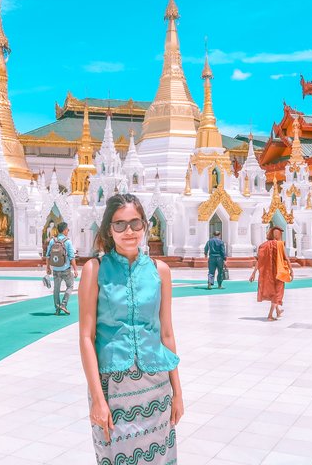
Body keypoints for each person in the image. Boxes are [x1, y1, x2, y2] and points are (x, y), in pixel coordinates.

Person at [79, 193, 182, 463]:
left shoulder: (160, 271)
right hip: (113, 387)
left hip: (156, 386)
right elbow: (86, 338)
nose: (129, 231)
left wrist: (178, 393)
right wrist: (98, 400)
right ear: (108, 230)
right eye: (120, 224)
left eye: (136, 224)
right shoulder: (94, 269)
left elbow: (167, 333)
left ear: (145, 226)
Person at [249, 226, 293, 321]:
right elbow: (286, 258)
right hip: (278, 273)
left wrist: (254, 273)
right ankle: (270, 315)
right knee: (277, 293)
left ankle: (277, 311)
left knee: (274, 292)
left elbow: (259, 260)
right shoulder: (280, 244)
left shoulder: (263, 245)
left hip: (268, 274)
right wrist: (291, 271)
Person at [46, 222, 78, 315]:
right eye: (67, 229)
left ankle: (57, 308)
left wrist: (48, 267)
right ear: (64, 230)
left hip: (55, 269)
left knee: (56, 289)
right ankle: (63, 304)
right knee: (70, 286)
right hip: (66, 269)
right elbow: (72, 257)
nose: (68, 231)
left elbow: (47, 255)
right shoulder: (67, 241)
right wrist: (75, 269)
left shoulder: (53, 241)